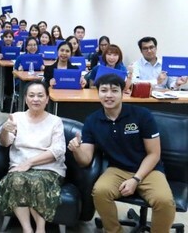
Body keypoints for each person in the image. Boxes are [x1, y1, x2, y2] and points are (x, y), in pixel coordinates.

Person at [68, 73, 176, 233]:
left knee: (164, 201)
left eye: (114, 90)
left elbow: (154, 154)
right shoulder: (92, 120)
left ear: (122, 92)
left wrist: (136, 179)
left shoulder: (142, 115)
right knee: (100, 192)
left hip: (148, 169)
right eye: (104, 90)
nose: (109, 95)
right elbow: (85, 160)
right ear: (98, 93)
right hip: (117, 169)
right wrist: (76, 150)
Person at [0, 81, 67, 233]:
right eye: (32, 95)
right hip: (20, 168)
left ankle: (40, 229)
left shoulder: (55, 121)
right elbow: (5, 142)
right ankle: (27, 229)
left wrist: (29, 162)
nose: (36, 99)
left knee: (35, 182)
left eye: (40, 96)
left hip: (49, 168)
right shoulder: (16, 117)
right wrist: (4, 130)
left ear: (47, 99)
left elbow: (58, 150)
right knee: (16, 180)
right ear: (26, 99)